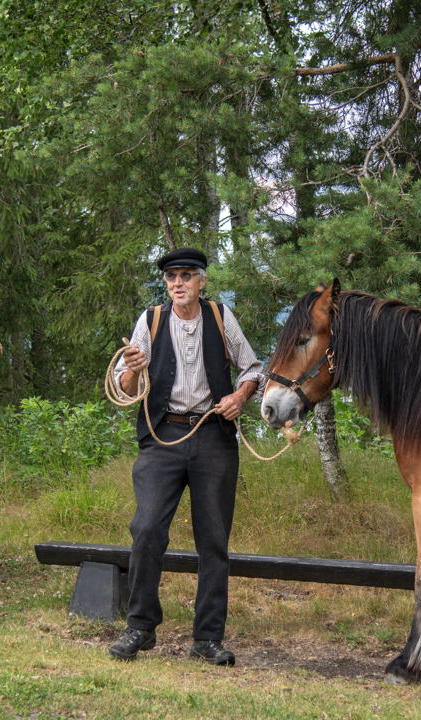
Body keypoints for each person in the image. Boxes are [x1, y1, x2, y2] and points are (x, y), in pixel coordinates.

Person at [109, 247, 263, 665]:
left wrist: (239, 396)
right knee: (146, 529)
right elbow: (125, 388)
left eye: (187, 275)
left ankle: (207, 638)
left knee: (213, 541)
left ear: (201, 281)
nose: (178, 283)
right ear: (167, 284)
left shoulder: (220, 316)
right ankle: (140, 627)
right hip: (163, 437)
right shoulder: (151, 320)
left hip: (214, 436)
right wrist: (135, 368)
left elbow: (252, 369)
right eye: (172, 276)